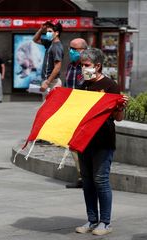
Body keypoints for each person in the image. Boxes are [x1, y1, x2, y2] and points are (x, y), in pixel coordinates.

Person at [75, 48, 128, 236]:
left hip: (103, 141)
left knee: (100, 180)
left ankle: (105, 222)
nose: (83, 68)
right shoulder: (83, 85)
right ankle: (92, 220)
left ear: (97, 66)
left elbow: (118, 117)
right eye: (82, 65)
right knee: (88, 181)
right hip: (84, 141)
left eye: (86, 65)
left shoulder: (110, 86)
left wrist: (121, 107)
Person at [64, 38, 88, 189]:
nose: (71, 51)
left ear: (84, 50)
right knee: (73, 144)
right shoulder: (71, 66)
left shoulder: (88, 67)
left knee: (81, 145)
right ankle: (82, 177)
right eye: (70, 48)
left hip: (84, 110)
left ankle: (86, 177)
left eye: (75, 49)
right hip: (72, 109)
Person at [33, 20, 64, 98]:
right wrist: (41, 29)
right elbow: (35, 40)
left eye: (50, 31)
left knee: (51, 107)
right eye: (47, 31)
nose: (47, 33)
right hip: (48, 81)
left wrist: (47, 82)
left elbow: (57, 67)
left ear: (56, 33)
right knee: (46, 105)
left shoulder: (57, 47)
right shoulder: (50, 43)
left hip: (52, 82)